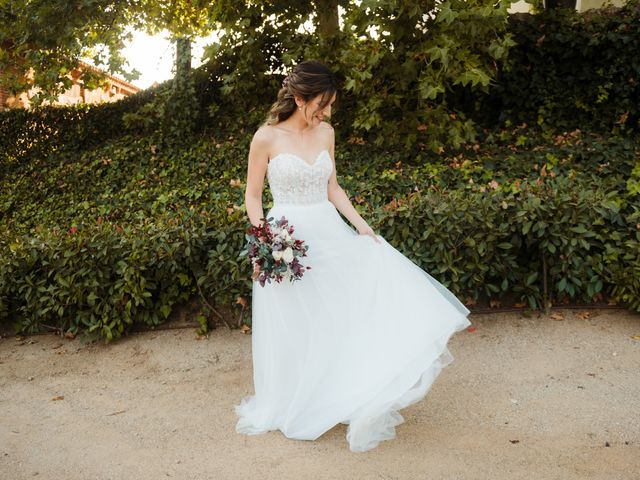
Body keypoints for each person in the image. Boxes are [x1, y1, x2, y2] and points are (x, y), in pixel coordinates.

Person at [235, 59, 472, 452]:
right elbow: (253, 196)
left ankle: (341, 394)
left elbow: (333, 188)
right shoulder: (265, 138)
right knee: (294, 325)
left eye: (330, 105)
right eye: (321, 104)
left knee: (339, 317)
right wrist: (263, 241)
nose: (326, 113)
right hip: (285, 241)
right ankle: (295, 401)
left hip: (328, 235)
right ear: (298, 98)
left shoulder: (326, 132)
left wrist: (362, 226)